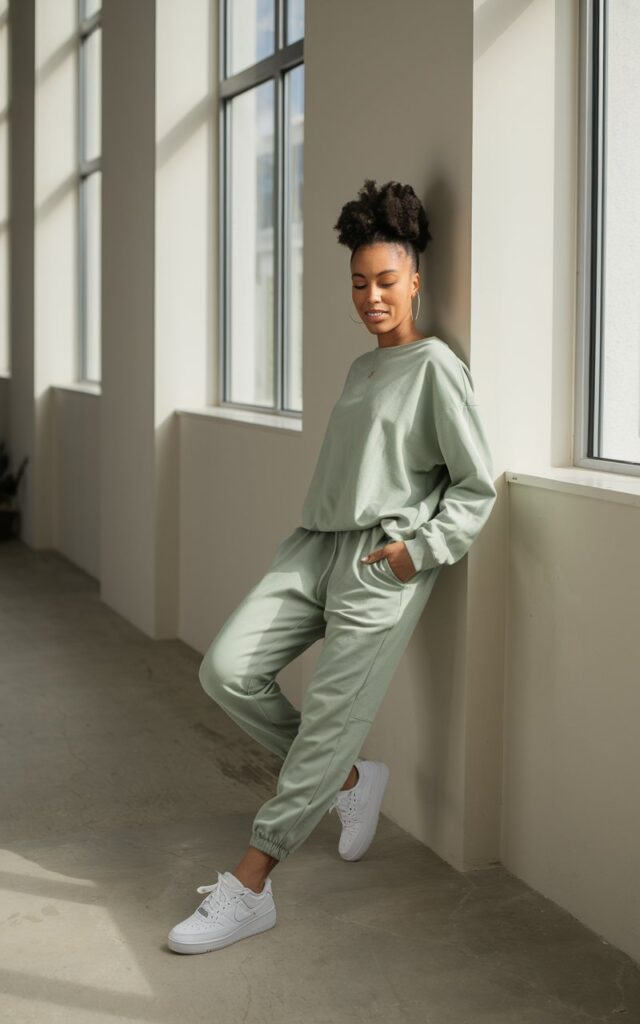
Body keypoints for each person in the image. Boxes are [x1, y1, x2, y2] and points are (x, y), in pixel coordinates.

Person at [167, 178, 497, 954]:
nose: (372, 297)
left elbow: (476, 485)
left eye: (386, 281)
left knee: (324, 724)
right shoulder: (359, 369)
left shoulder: (435, 368)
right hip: (312, 546)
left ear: (416, 278)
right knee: (225, 668)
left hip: (380, 564)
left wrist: (416, 553)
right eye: (359, 283)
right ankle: (351, 782)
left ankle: (250, 884)